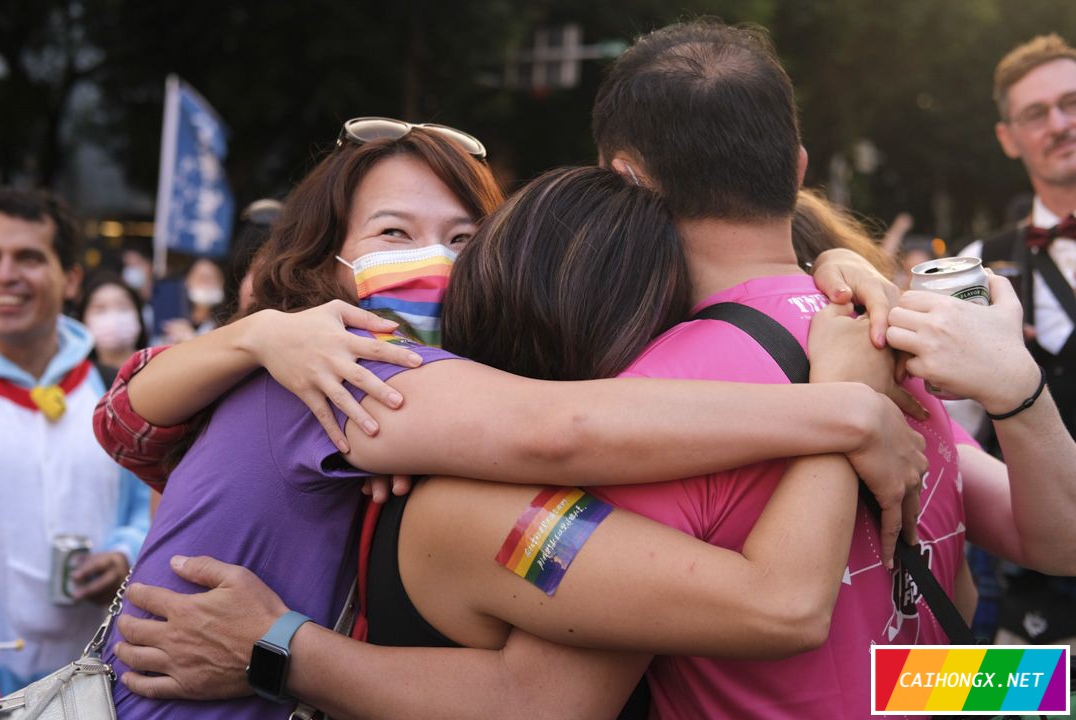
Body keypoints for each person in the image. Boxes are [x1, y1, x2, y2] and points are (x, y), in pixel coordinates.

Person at [114, 20, 1076, 719]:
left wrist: (279, 652)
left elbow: (546, 697)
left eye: (459, 235)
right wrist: (1027, 684)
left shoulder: (649, 410)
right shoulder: (876, 334)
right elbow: (1043, 548)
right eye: (399, 234)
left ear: (624, 176)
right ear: (795, 162)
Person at [0, 187, 151, 694]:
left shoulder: (118, 393)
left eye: (29, 257)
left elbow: (144, 510)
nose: (6, 275)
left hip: (98, 683)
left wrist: (123, 555)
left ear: (71, 280)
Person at [957, 30, 1076, 659]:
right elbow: (950, 431)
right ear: (1009, 138)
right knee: (1003, 697)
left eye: (1072, 103)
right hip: (1030, 589)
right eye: (1037, 113)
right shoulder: (978, 268)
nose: (1060, 124)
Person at [78, 271, 150, 387]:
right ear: (83, 320)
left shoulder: (159, 368)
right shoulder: (80, 382)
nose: (113, 317)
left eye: (123, 306)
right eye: (100, 309)